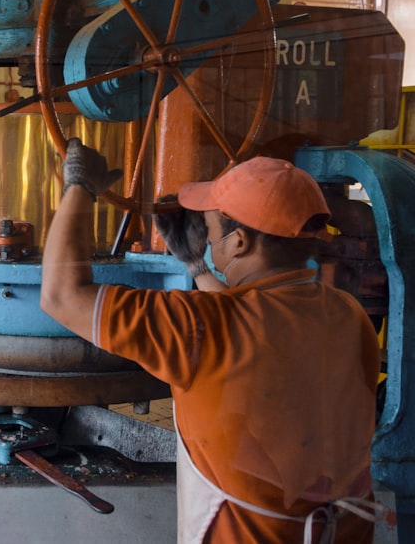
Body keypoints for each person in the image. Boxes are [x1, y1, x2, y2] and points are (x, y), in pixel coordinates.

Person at [40, 139, 383, 543]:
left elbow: (61, 296)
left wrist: (80, 186)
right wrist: (199, 267)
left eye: (213, 227)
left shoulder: (197, 327)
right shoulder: (347, 315)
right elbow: (256, 330)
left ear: (239, 242)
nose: (206, 232)